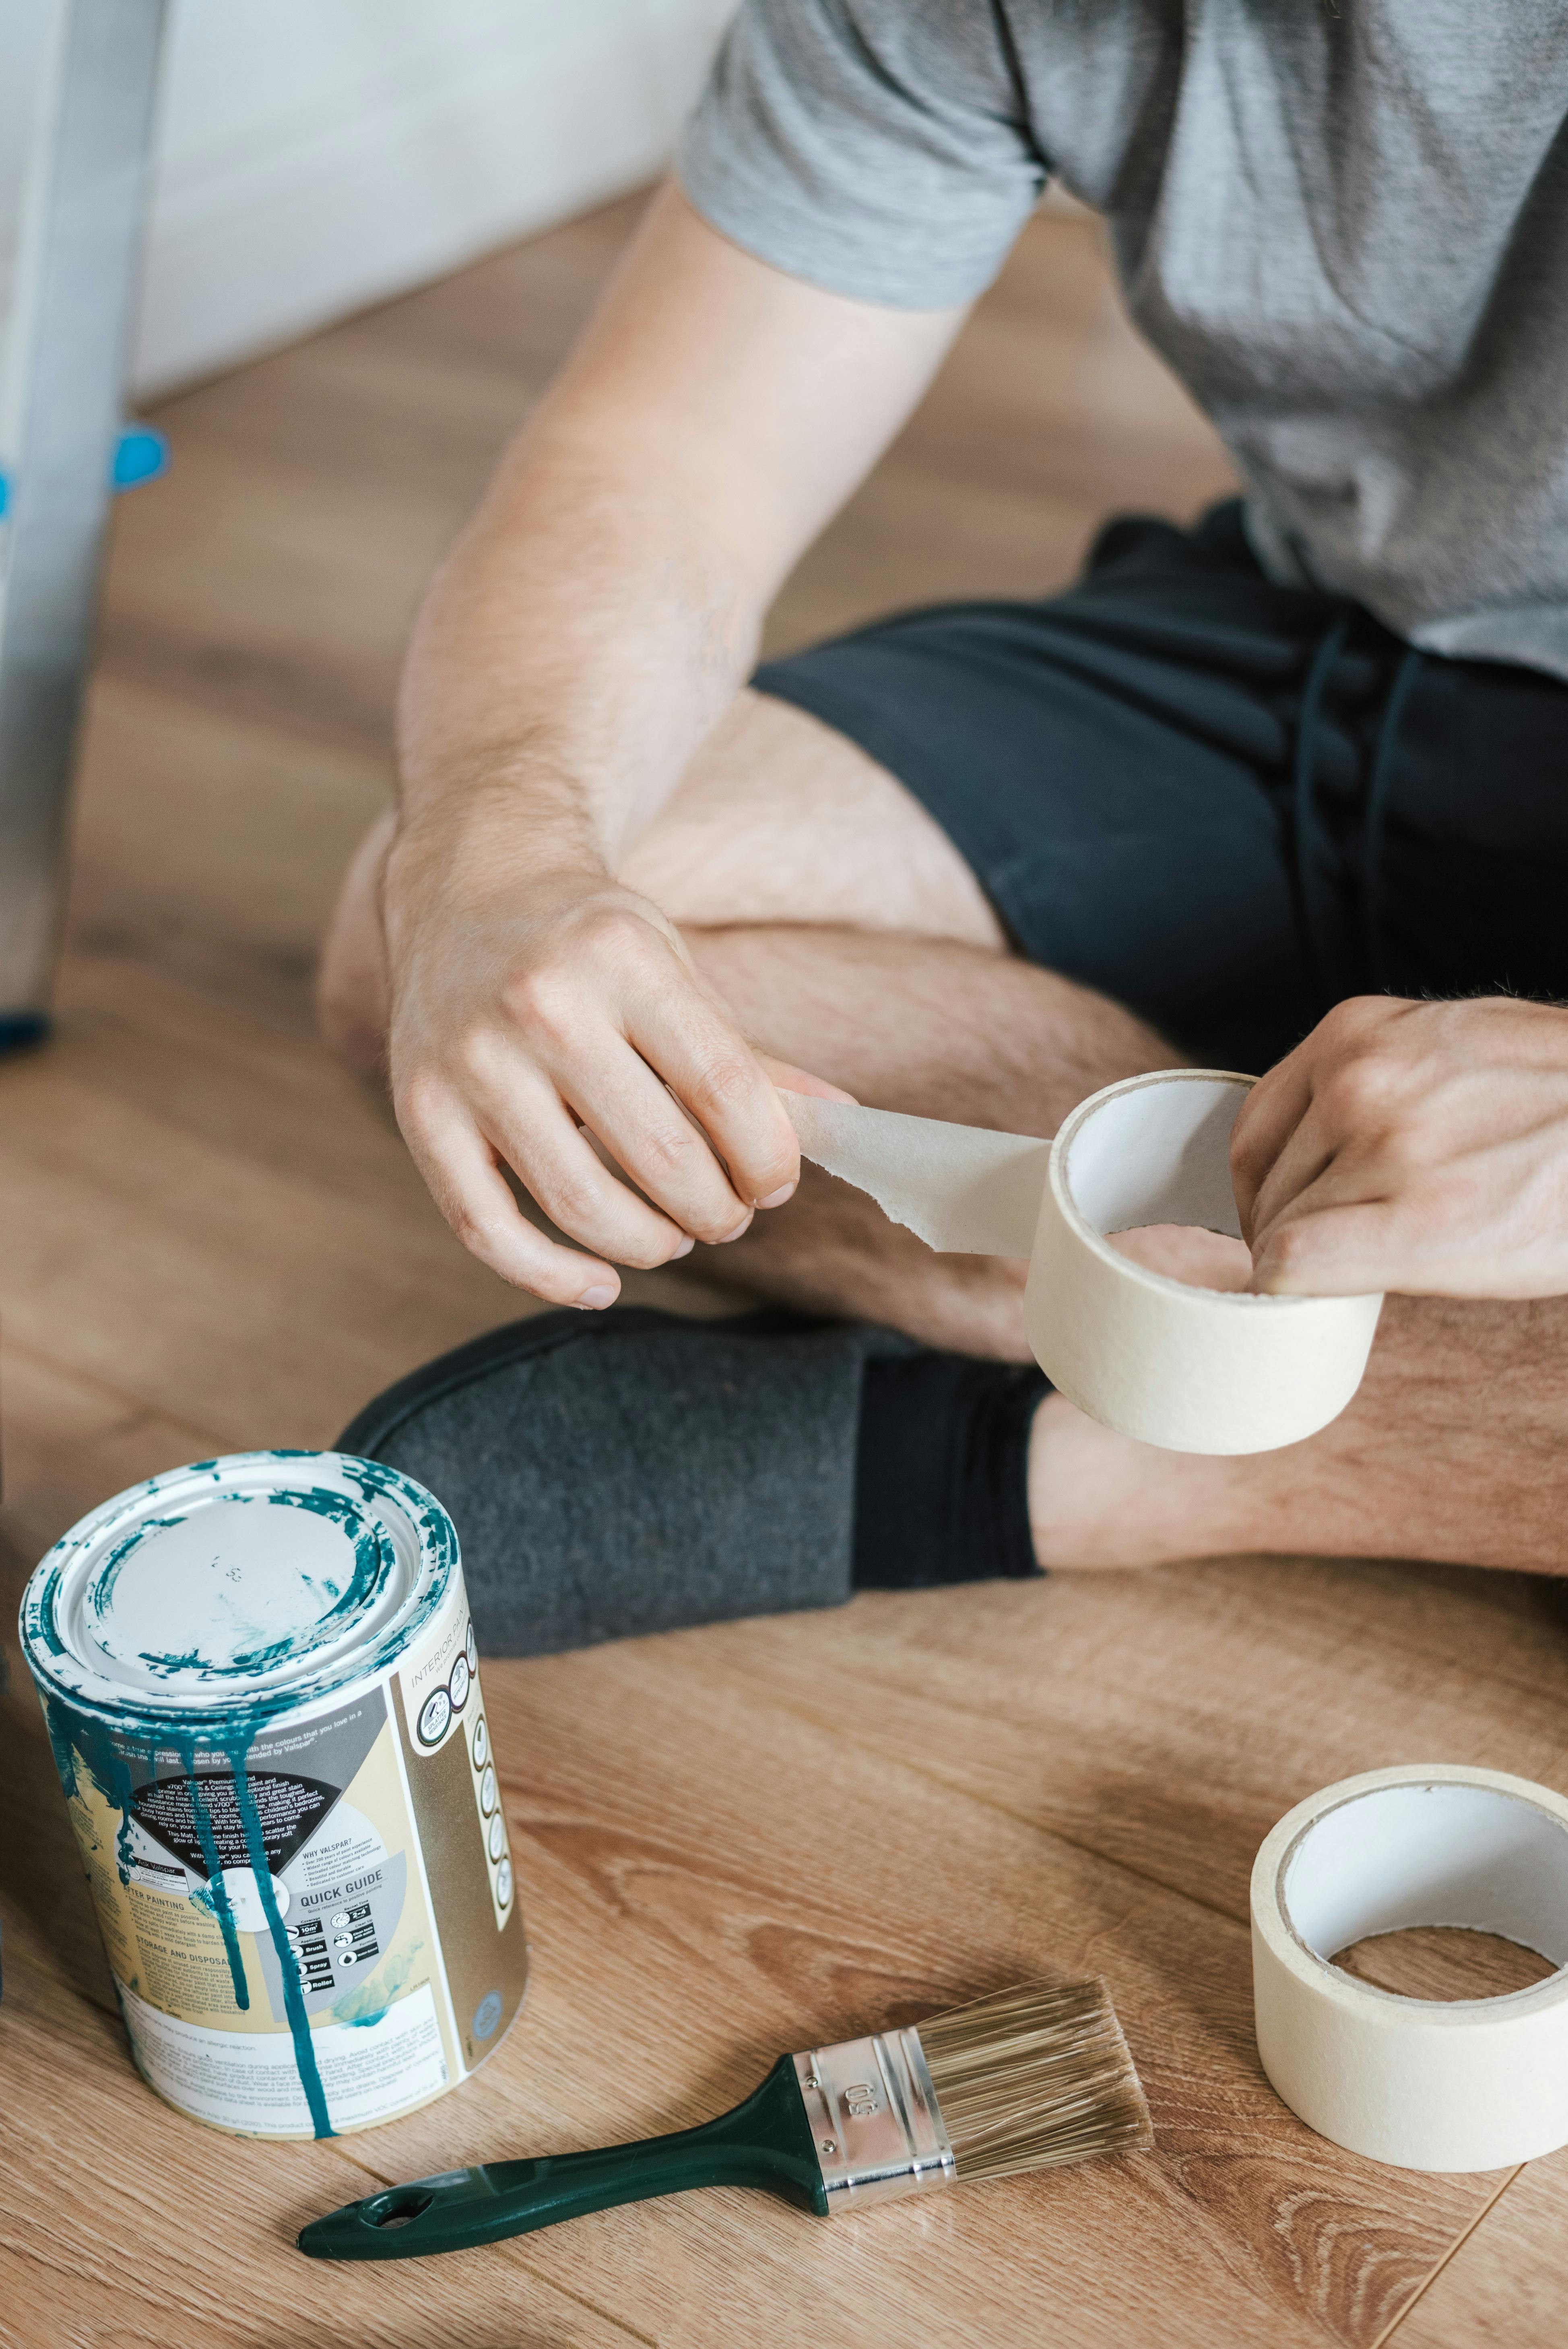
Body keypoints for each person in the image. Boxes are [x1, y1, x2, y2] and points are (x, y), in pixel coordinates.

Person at [320, 1, 1568, 1651]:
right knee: (439, 949)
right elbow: (668, 464)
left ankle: (1031, 1464)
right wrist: (499, 861)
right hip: (1320, 629)